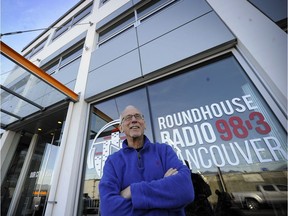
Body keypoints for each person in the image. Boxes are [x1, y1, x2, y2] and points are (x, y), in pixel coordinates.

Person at [99, 105, 194, 216]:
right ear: (121, 128)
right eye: (128, 117)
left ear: (145, 124)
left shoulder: (164, 151)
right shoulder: (113, 162)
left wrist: (131, 191)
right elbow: (109, 210)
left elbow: (185, 191)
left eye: (138, 116)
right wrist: (164, 193)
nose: (134, 120)